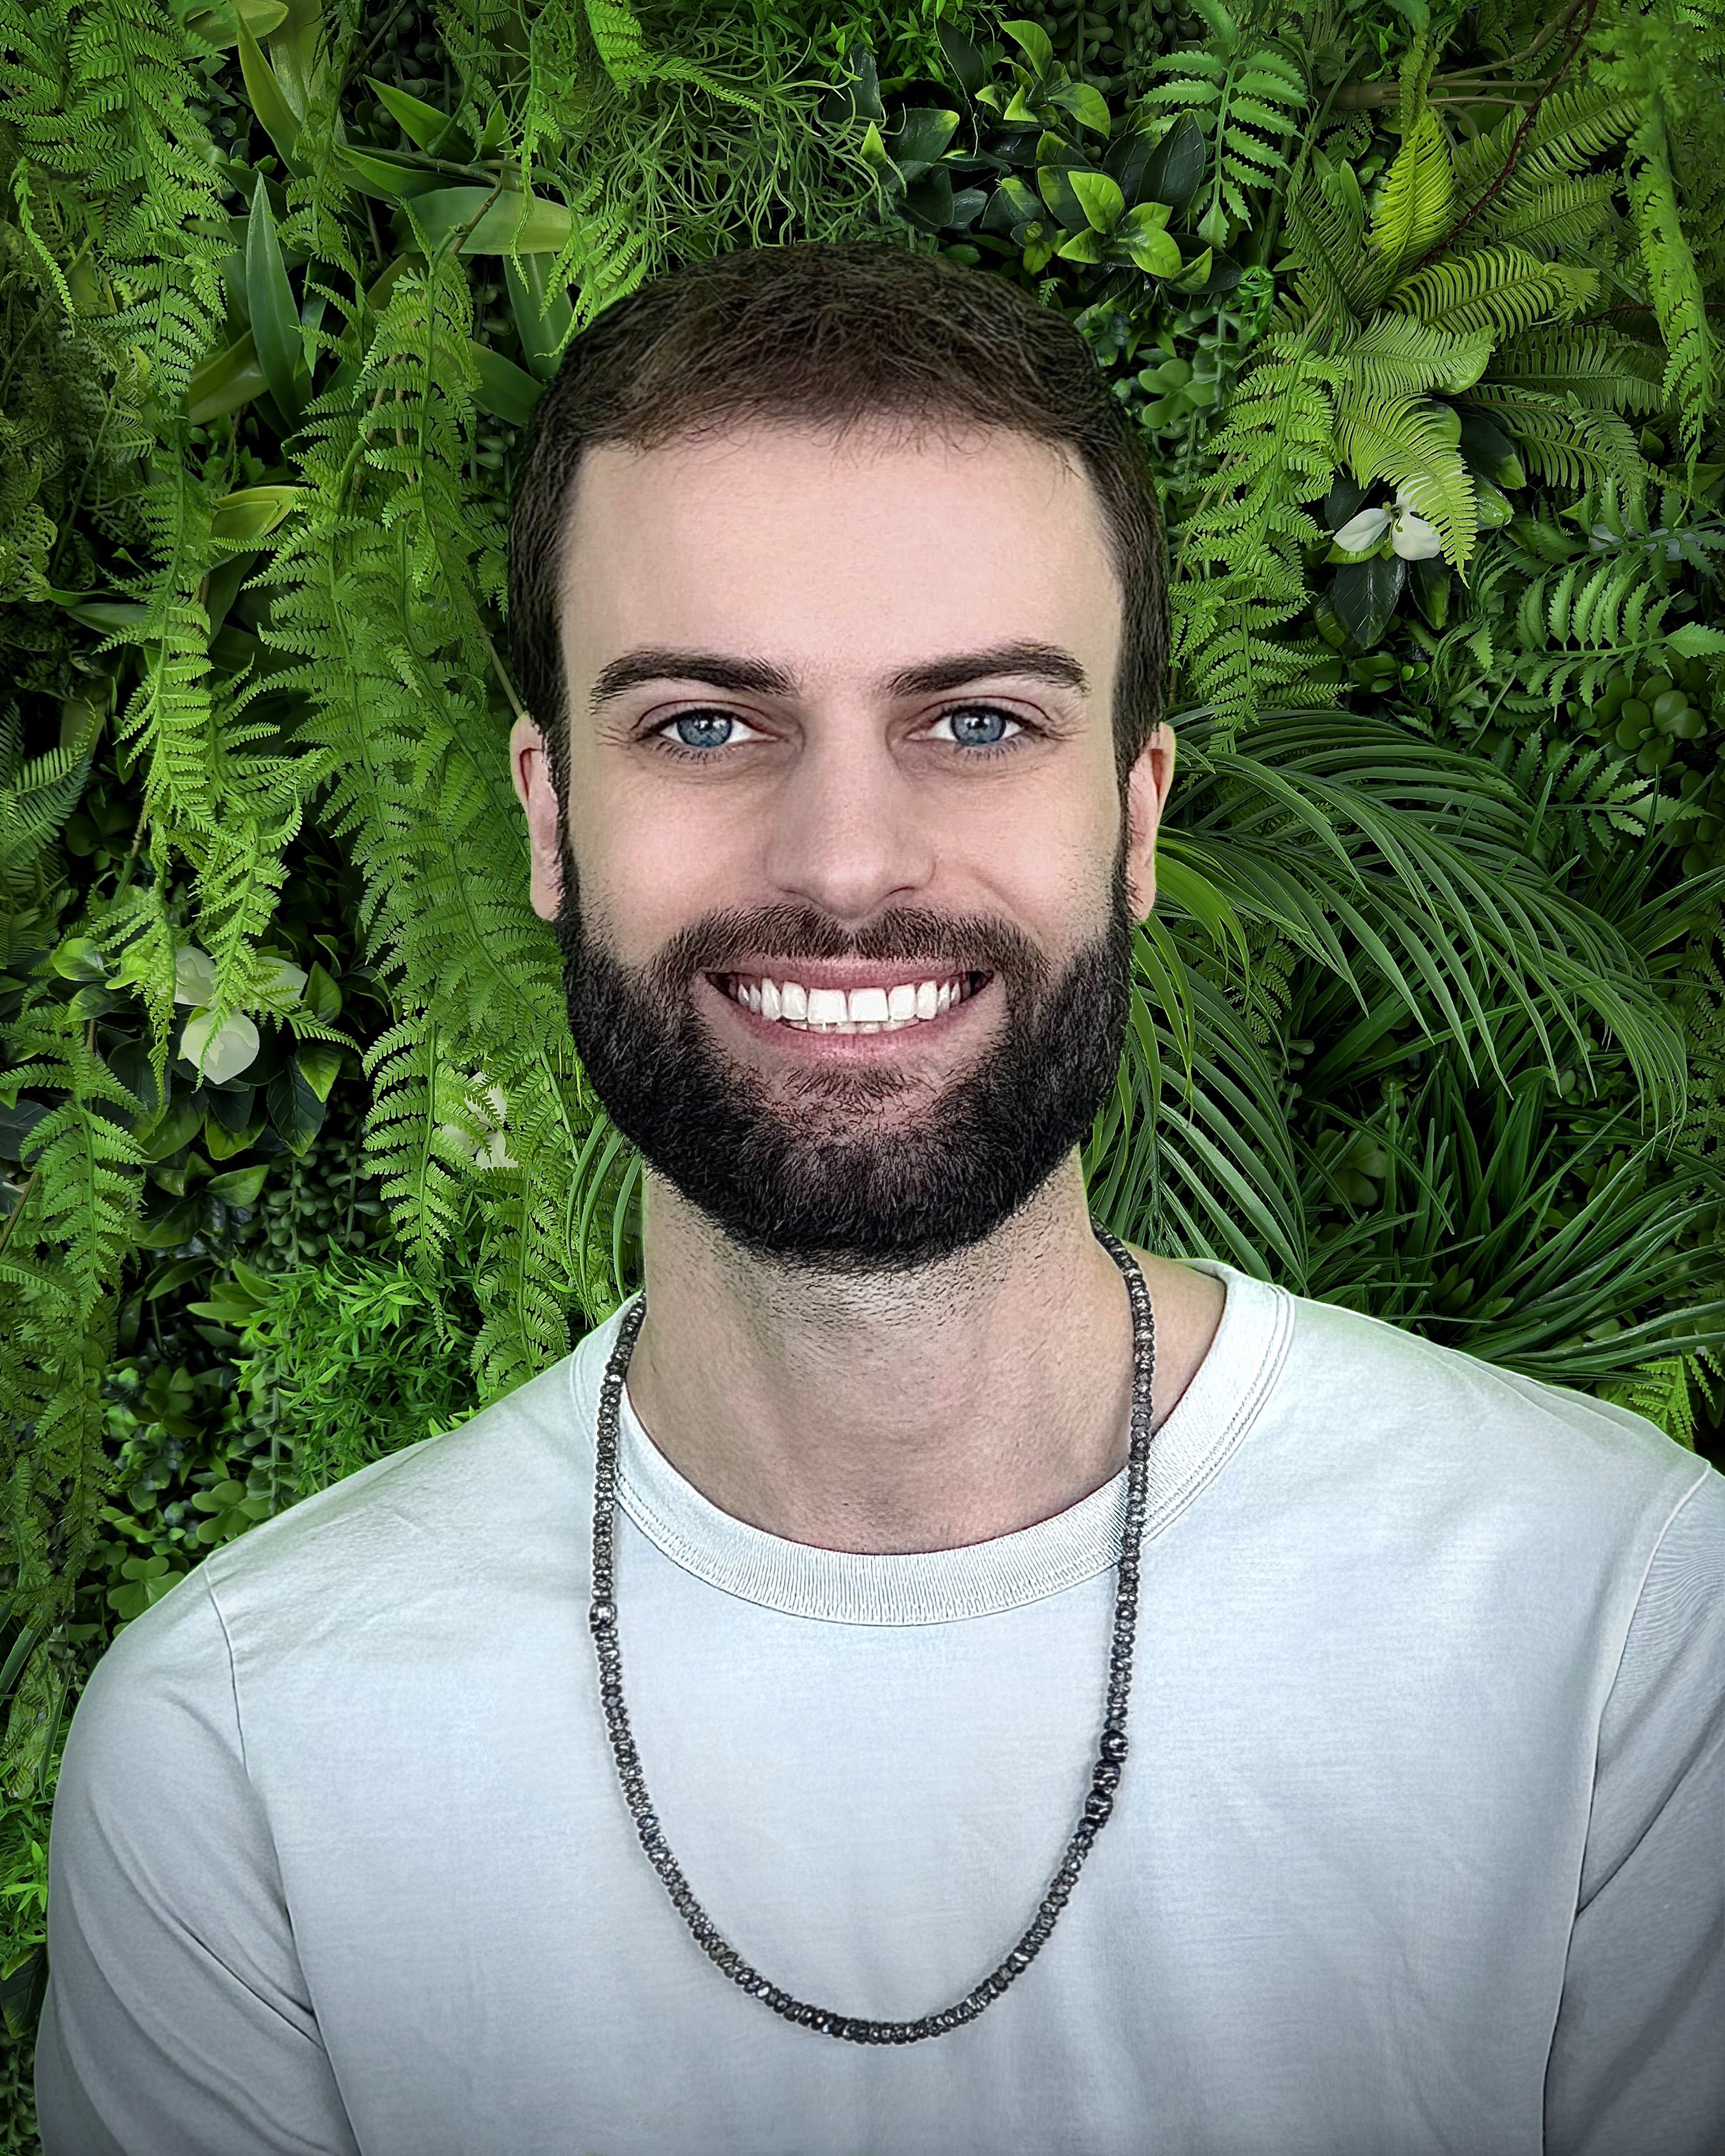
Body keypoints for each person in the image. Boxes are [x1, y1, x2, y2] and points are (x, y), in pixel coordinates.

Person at [36, 241, 1724, 2156]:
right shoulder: (245, 1756)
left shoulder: (1620, 1628)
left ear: (1137, 816)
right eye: (699, 723)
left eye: (980, 721)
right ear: (544, 819)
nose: (845, 861)